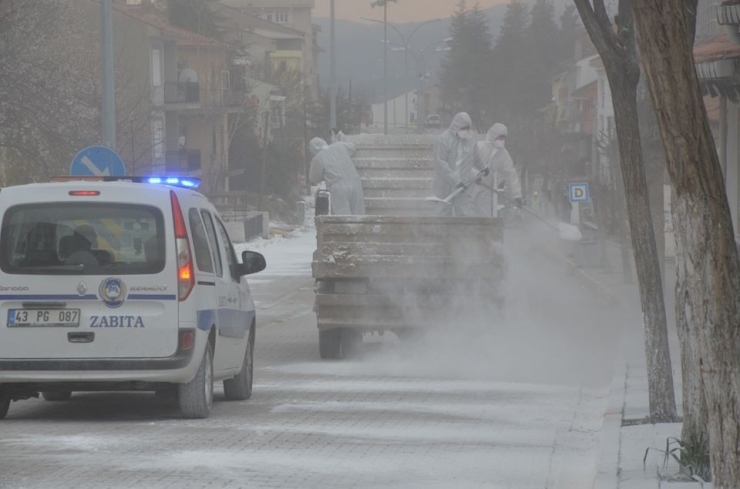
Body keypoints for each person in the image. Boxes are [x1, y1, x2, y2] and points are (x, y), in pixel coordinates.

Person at [432, 112, 485, 217]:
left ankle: (463, 233)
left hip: (463, 185)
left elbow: (476, 157)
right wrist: (455, 180)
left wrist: (483, 167)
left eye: (468, 128)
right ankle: (441, 233)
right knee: (442, 214)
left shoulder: (470, 140)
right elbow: (440, 163)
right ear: (456, 125)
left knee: (464, 213)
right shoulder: (443, 139)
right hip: (444, 185)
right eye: (463, 127)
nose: (466, 130)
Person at [474, 123, 523, 216]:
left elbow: (511, 175)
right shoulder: (479, 147)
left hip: (485, 190)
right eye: (499, 137)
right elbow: (466, 164)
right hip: (470, 186)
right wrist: (474, 175)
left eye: (503, 138)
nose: (501, 140)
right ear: (493, 136)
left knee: (484, 217)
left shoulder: (503, 154)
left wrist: (516, 196)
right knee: (466, 215)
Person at [309, 137, 366, 215]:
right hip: (355, 181)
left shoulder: (318, 158)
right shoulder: (339, 146)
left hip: (338, 186)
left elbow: (314, 178)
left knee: (342, 217)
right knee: (358, 213)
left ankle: (347, 227)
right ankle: (360, 227)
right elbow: (353, 147)